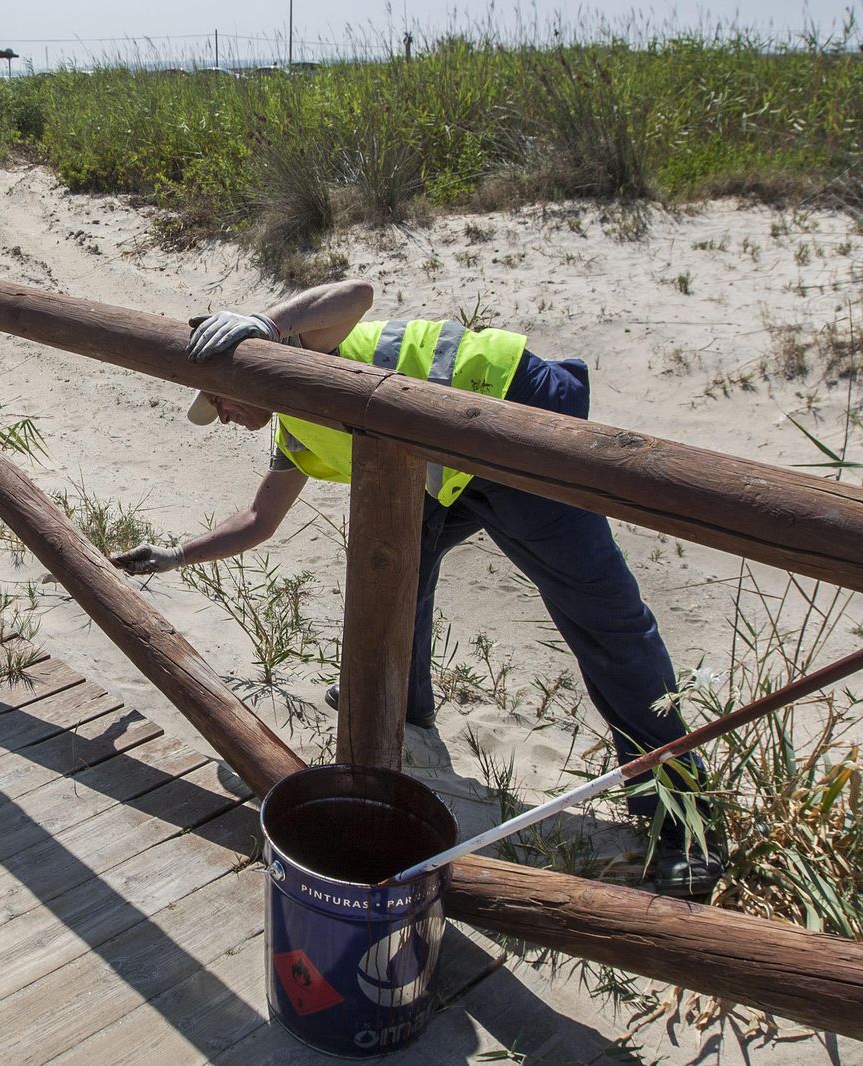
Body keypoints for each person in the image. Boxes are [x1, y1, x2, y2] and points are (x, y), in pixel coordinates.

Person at [110, 280, 722, 898]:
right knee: (394, 562)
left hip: (505, 413)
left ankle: (683, 821)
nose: (227, 420)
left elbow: (356, 293)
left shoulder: (306, 353)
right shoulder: (294, 429)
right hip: (440, 465)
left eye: (222, 402)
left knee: (602, 617)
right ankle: (407, 708)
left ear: (244, 374)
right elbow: (258, 521)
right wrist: (173, 557)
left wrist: (265, 325)